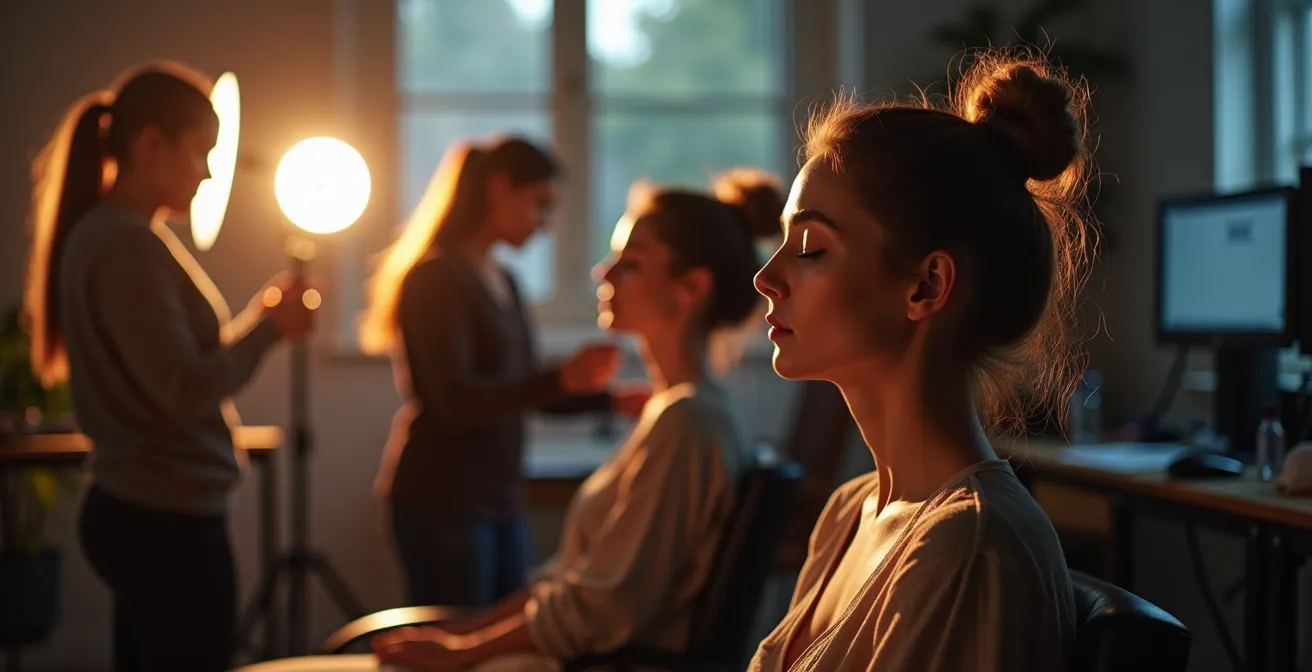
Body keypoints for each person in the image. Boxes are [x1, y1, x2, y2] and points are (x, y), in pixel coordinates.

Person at [748, 50, 1094, 672]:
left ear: (926, 287)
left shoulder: (969, 550)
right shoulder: (849, 514)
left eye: (809, 247)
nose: (766, 277)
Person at [369, 168, 784, 672]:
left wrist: (464, 653)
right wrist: (460, 634)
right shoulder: (673, 410)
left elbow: (601, 607)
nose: (601, 273)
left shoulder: (689, 420)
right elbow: (568, 583)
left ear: (690, 287)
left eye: (629, 263)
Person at [23, 62, 315, 672]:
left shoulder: (114, 237)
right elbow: (183, 390)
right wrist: (267, 333)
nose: (211, 171)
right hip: (164, 522)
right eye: (200, 152)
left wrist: (261, 321)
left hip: (146, 512)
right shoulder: (126, 244)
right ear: (149, 143)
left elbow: (172, 369)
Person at [359, 137, 648, 610]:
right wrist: (560, 379)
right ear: (499, 188)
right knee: (456, 643)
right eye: (539, 205)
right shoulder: (435, 279)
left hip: (498, 499)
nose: (545, 224)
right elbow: (455, 401)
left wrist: (611, 400)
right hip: (442, 501)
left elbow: (522, 391)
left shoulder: (503, 281)